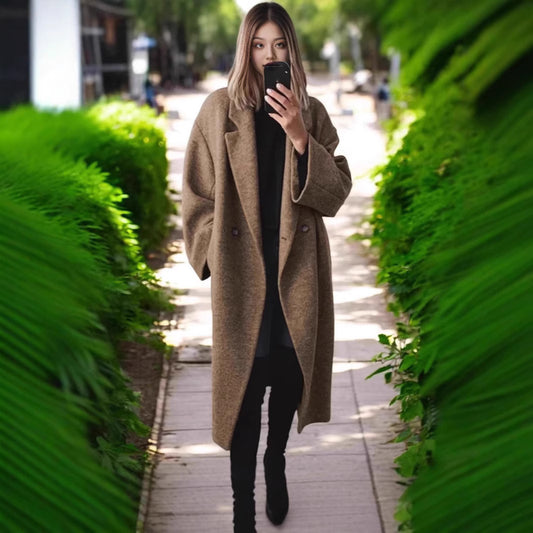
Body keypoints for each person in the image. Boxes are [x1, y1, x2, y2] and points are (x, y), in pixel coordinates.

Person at [182, 3, 352, 531]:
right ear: (246, 49)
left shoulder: (312, 112)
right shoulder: (218, 110)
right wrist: (212, 253)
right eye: (259, 45)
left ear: (291, 51)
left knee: (287, 376)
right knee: (244, 390)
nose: (268, 55)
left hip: (295, 271)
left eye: (278, 45)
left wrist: (300, 136)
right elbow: (196, 196)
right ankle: (242, 511)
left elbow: (336, 192)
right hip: (242, 274)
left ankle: (275, 460)